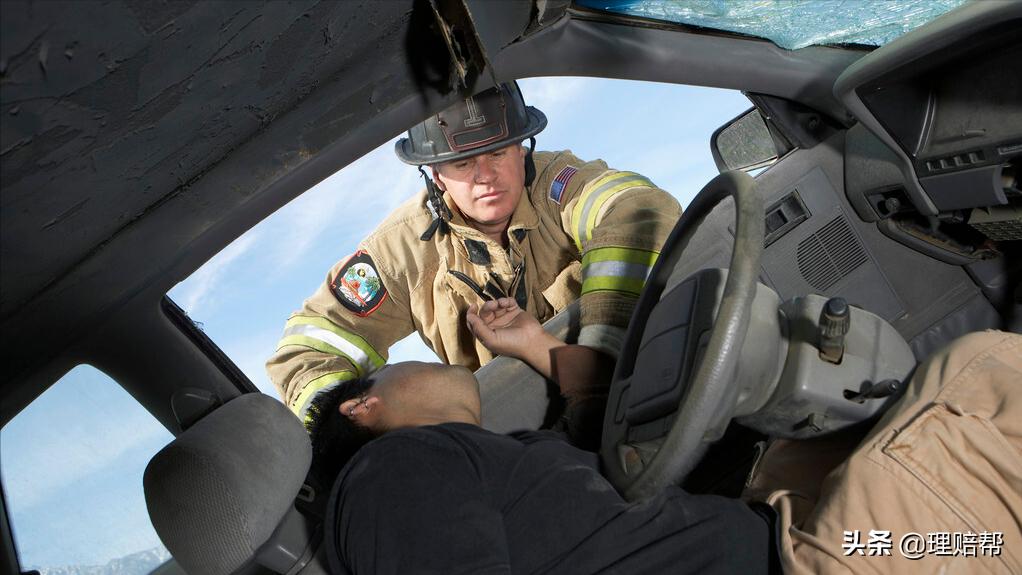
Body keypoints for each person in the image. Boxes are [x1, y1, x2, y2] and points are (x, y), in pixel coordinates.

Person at [309, 298, 1021, 574]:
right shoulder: (391, 471)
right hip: (802, 564)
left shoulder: (494, 460)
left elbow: (597, 418)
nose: (424, 358)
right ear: (359, 408)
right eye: (398, 364)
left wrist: (532, 343)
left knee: (955, 539)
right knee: (981, 368)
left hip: (785, 529)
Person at [266, 81, 681, 420]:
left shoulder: (560, 183)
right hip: (509, 434)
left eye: (498, 152)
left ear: (523, 149)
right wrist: (361, 433)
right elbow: (309, 348)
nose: (486, 176)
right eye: (463, 163)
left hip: (639, 383)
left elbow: (638, 209)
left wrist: (597, 362)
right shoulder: (402, 250)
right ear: (436, 175)